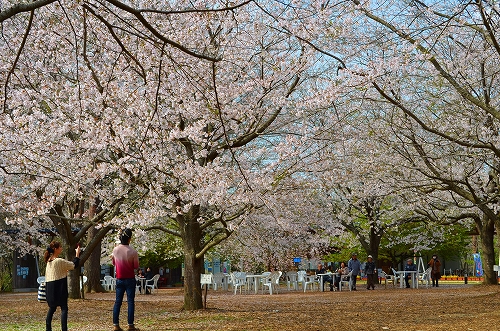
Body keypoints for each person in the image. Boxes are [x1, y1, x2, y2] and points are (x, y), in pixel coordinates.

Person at [44, 241, 81, 331]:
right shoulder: (59, 261)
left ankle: (48, 328)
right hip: (59, 287)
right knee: (64, 308)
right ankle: (64, 329)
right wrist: (77, 254)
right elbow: (73, 265)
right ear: (55, 249)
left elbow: (57, 272)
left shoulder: (48, 262)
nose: (61, 248)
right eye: (60, 247)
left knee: (52, 308)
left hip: (50, 288)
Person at [112, 229, 140, 331]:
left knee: (117, 302)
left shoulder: (115, 250)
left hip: (119, 278)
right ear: (129, 239)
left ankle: (116, 325)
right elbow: (136, 266)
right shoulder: (133, 251)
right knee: (130, 302)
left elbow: (114, 263)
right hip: (130, 279)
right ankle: (130, 325)